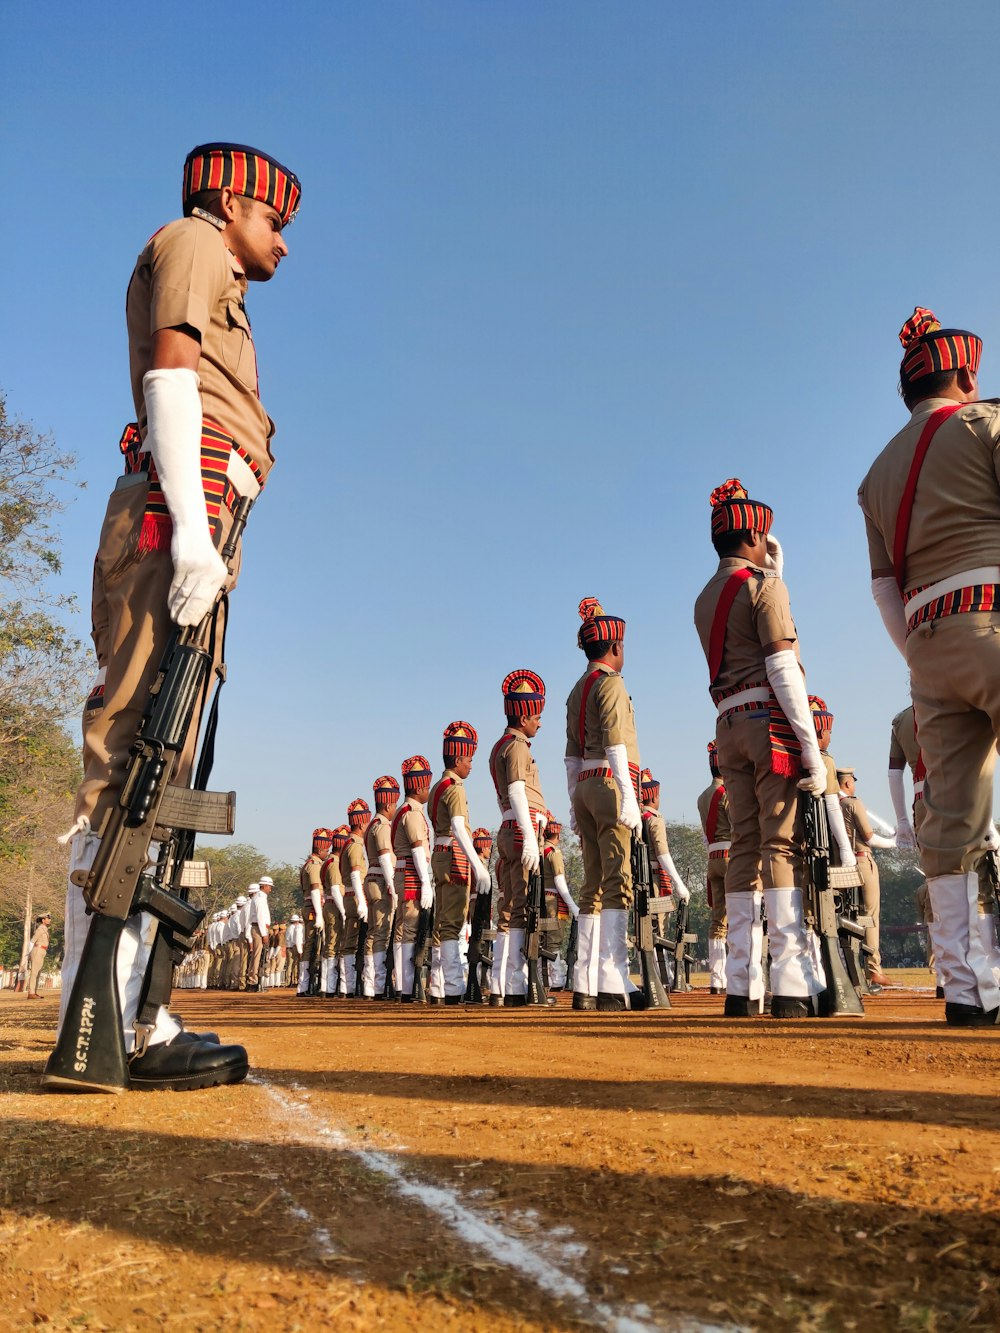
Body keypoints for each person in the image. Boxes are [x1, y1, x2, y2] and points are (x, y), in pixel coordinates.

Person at [50, 141, 301, 1091]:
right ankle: (104, 1016)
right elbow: (171, 378)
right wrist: (192, 532)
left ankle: (130, 1008)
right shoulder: (197, 245)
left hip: (195, 524)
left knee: (165, 766)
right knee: (131, 757)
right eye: (275, 221)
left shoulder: (215, 264)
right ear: (231, 202)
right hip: (175, 520)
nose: (283, 243)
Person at [858, 307, 1000, 1024]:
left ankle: (971, 991)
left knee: (952, 824)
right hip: (994, 612)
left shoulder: (877, 474)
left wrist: (920, 657)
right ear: (966, 374)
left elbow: (884, 587)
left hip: (927, 643)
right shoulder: (985, 425)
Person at [694, 481, 827, 1019]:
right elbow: (781, 664)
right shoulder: (763, 585)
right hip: (767, 723)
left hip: (726, 722)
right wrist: (811, 747)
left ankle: (741, 985)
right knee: (781, 844)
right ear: (753, 532)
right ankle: (792, 981)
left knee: (746, 845)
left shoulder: (705, 596)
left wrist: (775, 573)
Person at [564, 599, 647, 1011]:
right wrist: (629, 797)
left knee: (591, 886)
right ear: (614, 647)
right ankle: (614, 979)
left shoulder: (577, 689)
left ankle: (586, 981)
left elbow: (570, 757)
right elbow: (615, 741)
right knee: (618, 881)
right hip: (609, 783)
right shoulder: (610, 683)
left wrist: (573, 803)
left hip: (583, 785)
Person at [489, 671, 548, 1007]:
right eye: (537, 717)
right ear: (524, 716)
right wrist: (529, 837)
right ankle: (514, 983)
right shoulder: (516, 748)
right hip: (520, 829)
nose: (539, 724)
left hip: (513, 828)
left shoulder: (505, 745)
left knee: (511, 909)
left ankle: (505, 986)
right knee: (520, 908)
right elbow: (516, 791)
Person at [426, 724, 491, 1005]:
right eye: (469, 759)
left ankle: (439, 987)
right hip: (454, 855)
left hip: (440, 853)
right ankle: (453, 987)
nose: (471, 765)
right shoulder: (454, 788)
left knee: (443, 923)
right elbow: (458, 826)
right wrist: (477, 864)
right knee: (452, 923)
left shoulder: (437, 787)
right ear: (457, 760)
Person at [837, 768, 894, 989]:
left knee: (847, 914)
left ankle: (849, 965)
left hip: (841, 866)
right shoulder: (852, 803)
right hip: (862, 861)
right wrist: (894, 842)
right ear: (848, 783)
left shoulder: (830, 806)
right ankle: (873, 969)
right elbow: (869, 837)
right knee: (870, 915)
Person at [390, 756, 434, 999]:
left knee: (408, 930)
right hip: (411, 876)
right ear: (418, 788)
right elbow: (418, 849)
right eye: (426, 786)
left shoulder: (403, 811)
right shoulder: (412, 813)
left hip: (406, 873)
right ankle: (408, 988)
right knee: (411, 930)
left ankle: (408, 986)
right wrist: (426, 882)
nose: (427, 791)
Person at [697, 742, 732, 993]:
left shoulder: (702, 796)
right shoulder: (728, 794)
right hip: (733, 856)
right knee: (742, 914)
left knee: (718, 919)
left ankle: (717, 979)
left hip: (713, 858)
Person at [363, 777, 399, 997]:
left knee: (375, 933)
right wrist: (393, 887)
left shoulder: (371, 826)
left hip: (373, 879)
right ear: (388, 805)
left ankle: (373, 984)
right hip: (381, 880)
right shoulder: (383, 826)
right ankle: (379, 984)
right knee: (382, 933)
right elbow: (386, 858)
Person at [541, 814, 577, 993]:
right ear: (557, 835)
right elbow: (559, 881)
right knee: (554, 942)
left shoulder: (539, 851)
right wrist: (572, 905)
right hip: (552, 901)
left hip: (541, 899)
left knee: (543, 941)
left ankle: (546, 976)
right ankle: (555, 978)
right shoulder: (553, 853)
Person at [298, 829, 332, 996]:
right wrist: (319, 915)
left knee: (312, 946)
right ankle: (304, 985)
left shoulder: (311, 864)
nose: (328, 853)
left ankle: (307, 985)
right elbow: (315, 890)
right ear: (319, 850)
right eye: (326, 850)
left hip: (312, 907)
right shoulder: (314, 865)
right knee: (311, 946)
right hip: (312, 908)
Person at [24, 912, 52, 999]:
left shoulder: (44, 929)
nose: (50, 920)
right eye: (48, 918)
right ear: (43, 920)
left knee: (38, 972)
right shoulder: (40, 929)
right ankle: (31, 992)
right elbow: (32, 941)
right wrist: (27, 953)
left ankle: (34, 992)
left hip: (42, 950)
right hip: (37, 950)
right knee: (34, 972)